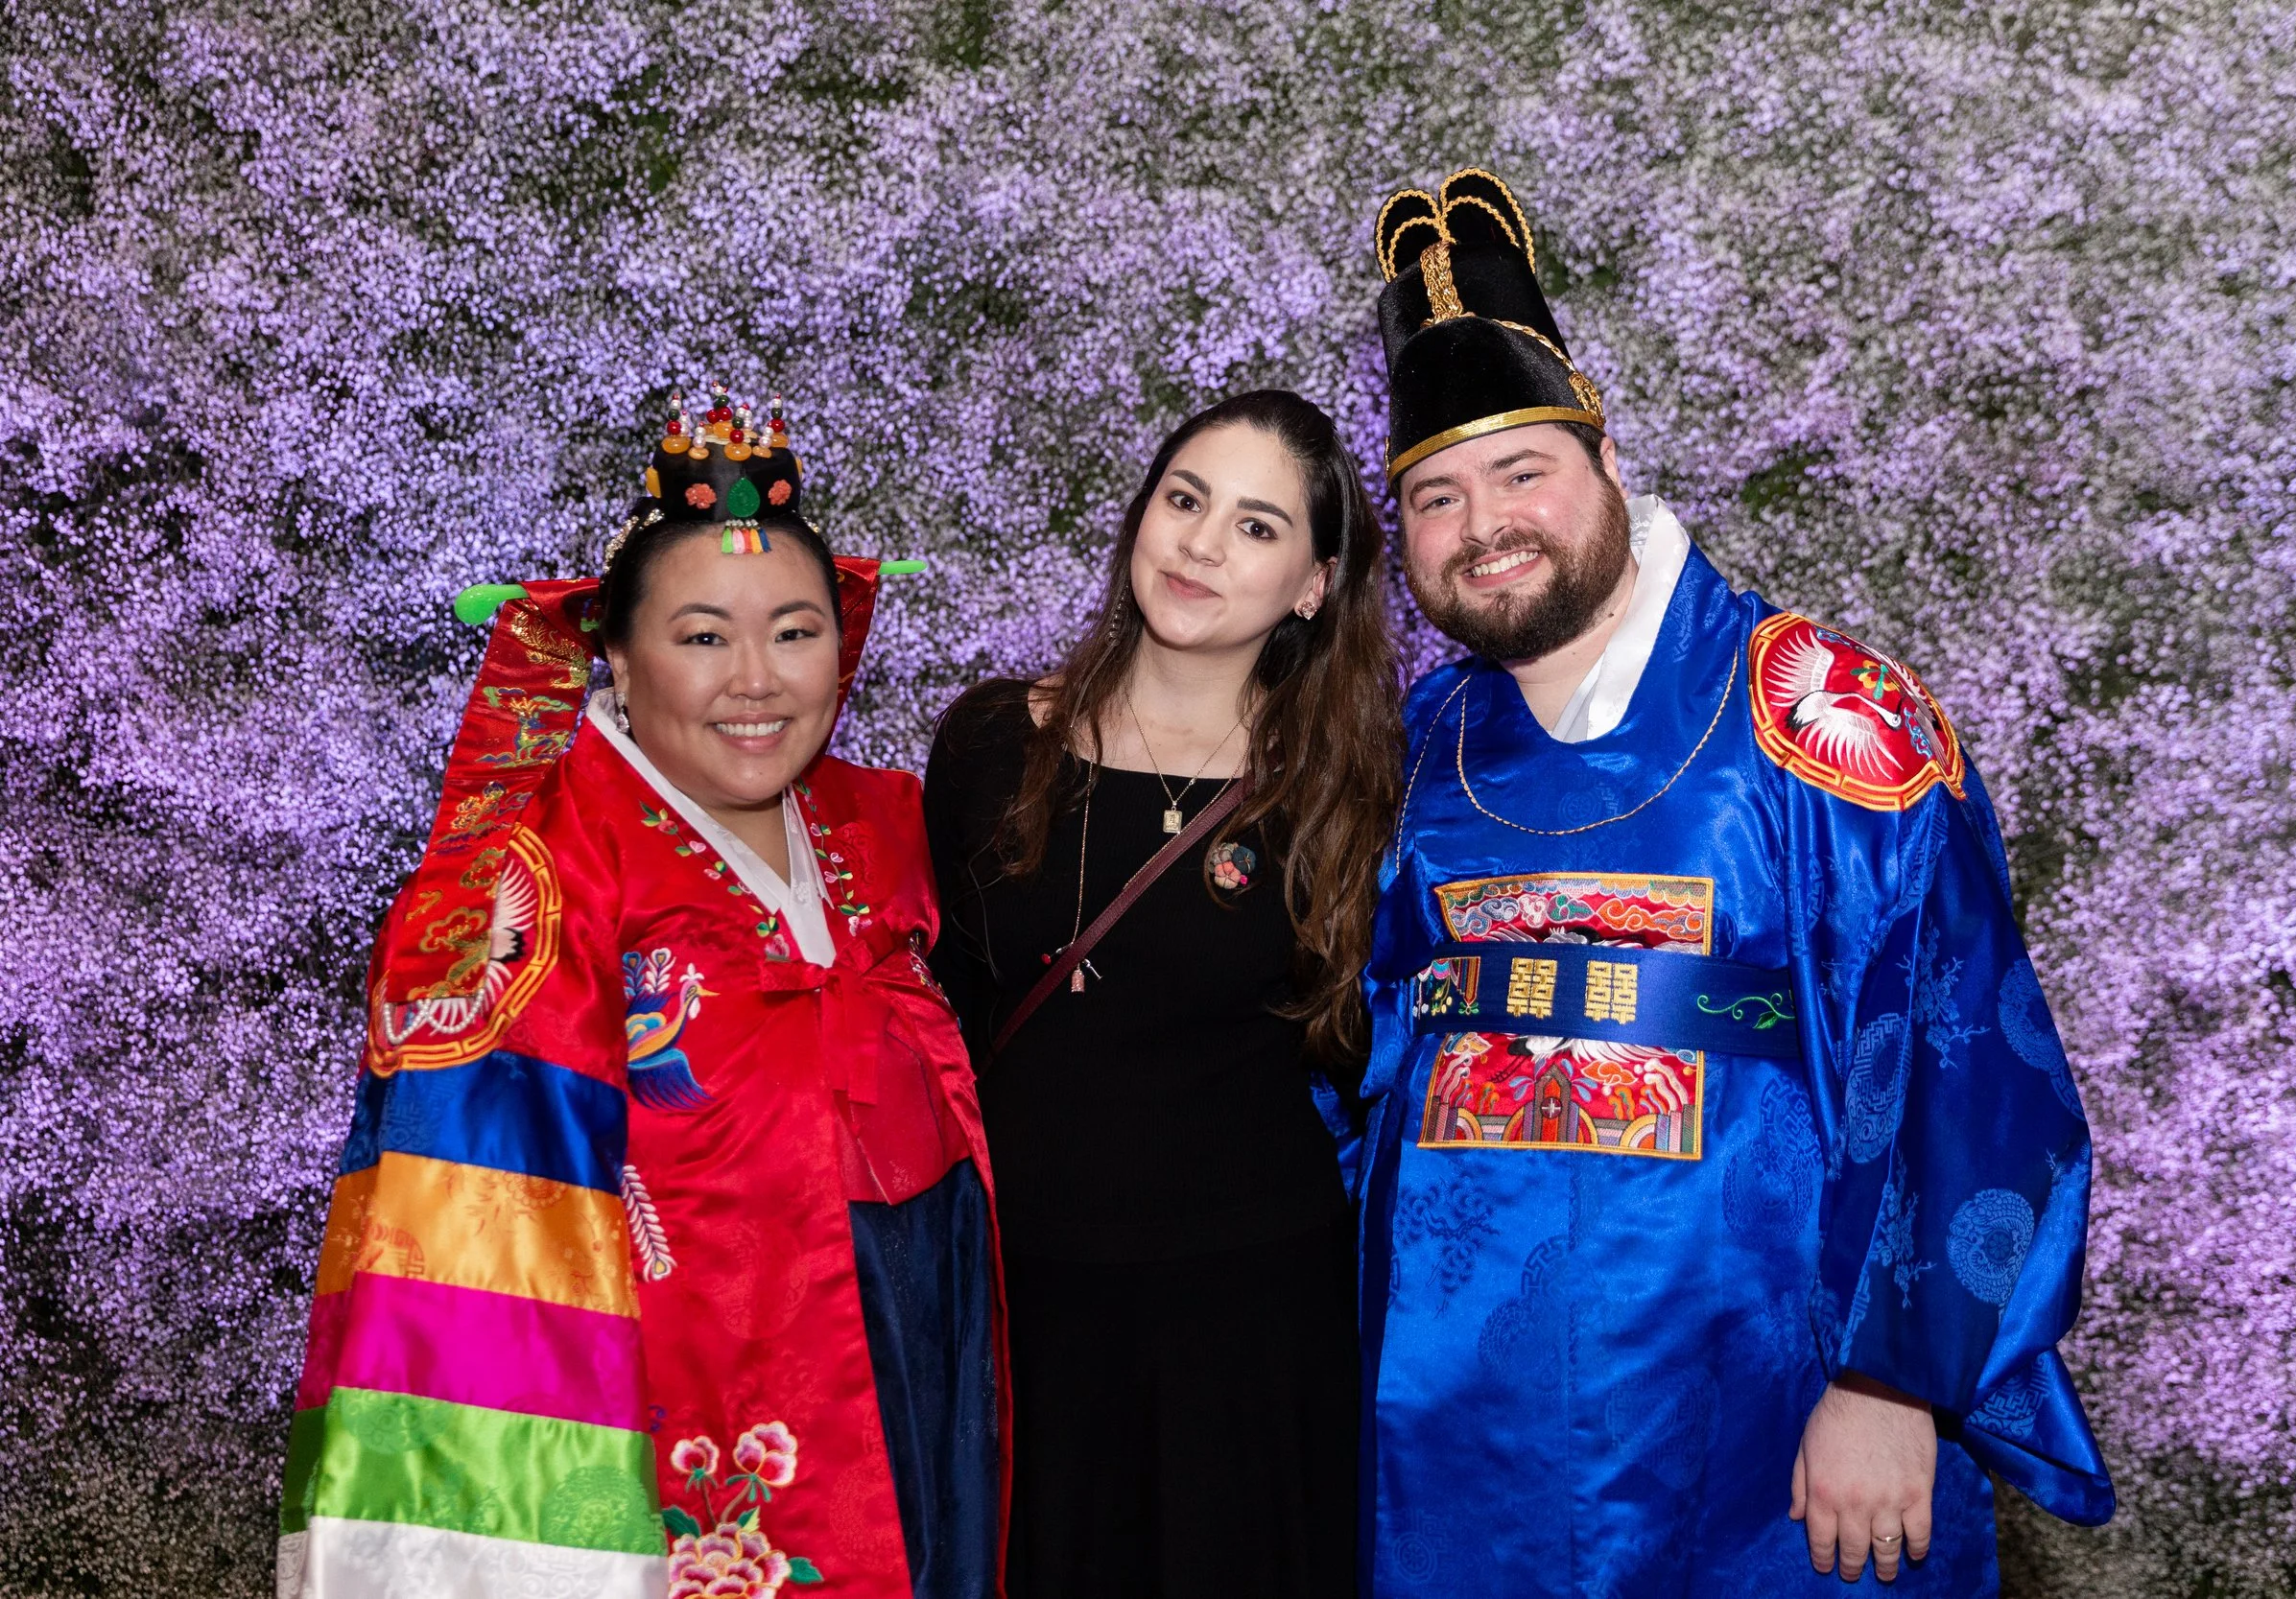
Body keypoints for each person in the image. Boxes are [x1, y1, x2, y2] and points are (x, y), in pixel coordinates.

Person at [1350, 171, 2115, 1595]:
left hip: (1775, 1418)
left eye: (1524, 470)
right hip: (1460, 1436)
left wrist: (1895, 1379)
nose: (1484, 523)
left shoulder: (1824, 715)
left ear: (1608, 460)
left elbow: (1967, 1048)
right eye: (1437, 495)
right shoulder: (1424, 745)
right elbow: (1365, 1061)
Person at [280, 391, 1004, 1599]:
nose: (757, 680)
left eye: (796, 630)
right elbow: (480, 1219)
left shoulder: (881, 821)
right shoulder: (546, 869)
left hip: (925, 1326)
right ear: (614, 649)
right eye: (704, 636)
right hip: (687, 1388)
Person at [921, 389, 1400, 1599]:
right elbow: (939, 1021)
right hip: (1022, 1312)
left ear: (1311, 583)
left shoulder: (1346, 793)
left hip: (1247, 1324)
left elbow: (1366, 1055)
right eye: (1184, 500)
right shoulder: (987, 745)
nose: (1198, 543)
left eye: (1254, 525)